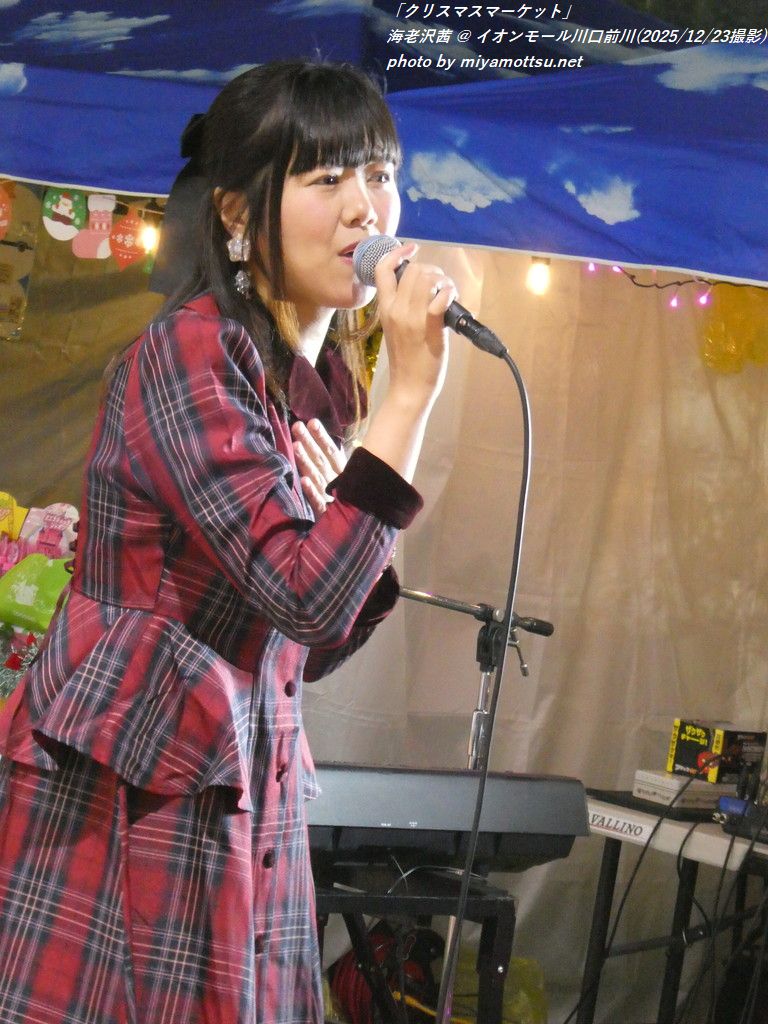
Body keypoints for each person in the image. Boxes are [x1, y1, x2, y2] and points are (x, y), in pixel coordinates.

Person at [0, 60, 455, 1024]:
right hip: (141, 781)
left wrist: (355, 502)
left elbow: (306, 647)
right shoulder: (193, 350)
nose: (365, 208)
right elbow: (305, 596)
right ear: (240, 214)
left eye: (379, 174)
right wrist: (412, 394)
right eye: (326, 178)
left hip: (243, 772)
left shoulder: (321, 388)